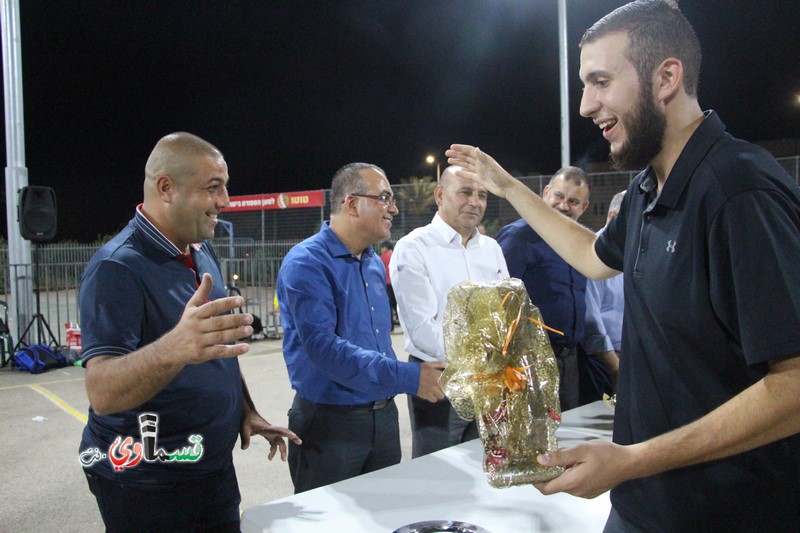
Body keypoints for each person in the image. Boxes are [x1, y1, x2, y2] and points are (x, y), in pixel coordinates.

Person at [446, 1, 800, 530]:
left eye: (601, 81)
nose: (587, 105)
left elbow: (793, 386)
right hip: (643, 505)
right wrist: (509, 187)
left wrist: (634, 458)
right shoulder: (647, 189)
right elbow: (593, 257)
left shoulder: (739, 191)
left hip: (726, 512)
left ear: (667, 78)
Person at [78, 132, 300, 532]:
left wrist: (244, 410)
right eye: (213, 188)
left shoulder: (199, 249)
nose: (226, 201)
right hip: (148, 483)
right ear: (166, 188)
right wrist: (174, 348)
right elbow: (102, 392)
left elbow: (213, 346)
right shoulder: (117, 267)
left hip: (210, 469)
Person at [277, 162, 446, 493]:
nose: (393, 208)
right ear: (351, 203)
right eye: (384, 197)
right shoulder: (306, 263)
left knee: (382, 516)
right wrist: (411, 377)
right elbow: (326, 350)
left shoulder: (371, 262)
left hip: (382, 419)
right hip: (330, 425)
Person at [390, 165, 509, 458]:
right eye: (465, 192)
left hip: (491, 383)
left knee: (485, 469)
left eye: (482, 195)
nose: (475, 202)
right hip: (440, 383)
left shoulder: (492, 249)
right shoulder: (414, 248)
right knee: (438, 477)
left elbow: (506, 312)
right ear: (440, 195)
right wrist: (481, 359)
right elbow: (421, 330)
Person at [495, 167, 591, 411]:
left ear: (584, 207)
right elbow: (499, 300)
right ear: (545, 193)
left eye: (573, 201)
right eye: (558, 196)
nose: (564, 206)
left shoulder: (581, 242)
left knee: (567, 434)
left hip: (569, 359)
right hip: (530, 360)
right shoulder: (519, 236)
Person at [579, 190, 625, 403]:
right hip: (603, 360)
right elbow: (591, 316)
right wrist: (614, 365)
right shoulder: (595, 252)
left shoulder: (633, 251)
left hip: (630, 355)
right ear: (614, 217)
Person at [379, 240, 399, 332]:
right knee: (398, 304)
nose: (381, 250)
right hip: (397, 282)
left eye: (382, 248)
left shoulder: (382, 258)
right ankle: (400, 321)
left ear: (386, 248)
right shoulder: (396, 255)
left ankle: (391, 327)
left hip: (387, 283)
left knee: (389, 305)